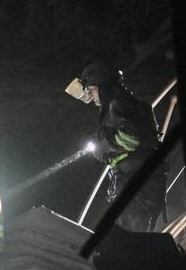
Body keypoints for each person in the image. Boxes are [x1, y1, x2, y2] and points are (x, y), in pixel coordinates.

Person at [67, 60, 165, 232]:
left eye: (91, 89)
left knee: (130, 242)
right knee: (132, 239)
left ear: (102, 86)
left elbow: (130, 139)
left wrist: (103, 147)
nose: (90, 95)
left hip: (136, 185)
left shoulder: (118, 104)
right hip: (141, 182)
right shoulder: (124, 104)